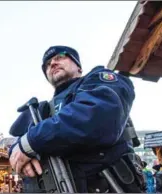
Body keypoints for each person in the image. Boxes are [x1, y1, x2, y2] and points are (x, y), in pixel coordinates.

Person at [8, 45, 144, 193]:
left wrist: (31, 142)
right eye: (47, 65)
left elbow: (96, 116)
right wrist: (19, 154)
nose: (52, 63)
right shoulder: (42, 111)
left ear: (78, 66)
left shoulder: (99, 80)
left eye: (60, 57)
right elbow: (17, 142)